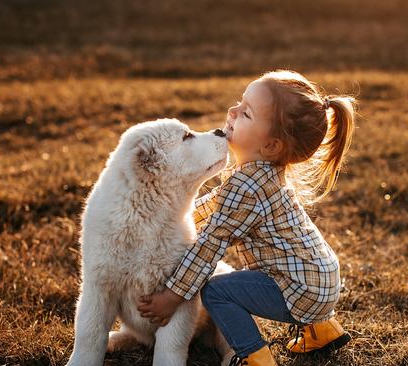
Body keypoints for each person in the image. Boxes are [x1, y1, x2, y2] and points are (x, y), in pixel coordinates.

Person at [137, 70, 355, 366]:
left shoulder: (247, 187)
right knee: (241, 281)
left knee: (216, 290)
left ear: (270, 146)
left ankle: (251, 355)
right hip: (321, 278)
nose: (232, 111)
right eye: (239, 103)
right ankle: (322, 330)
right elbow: (214, 205)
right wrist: (172, 218)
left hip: (302, 289)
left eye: (246, 113)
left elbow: (208, 248)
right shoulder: (261, 174)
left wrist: (173, 296)